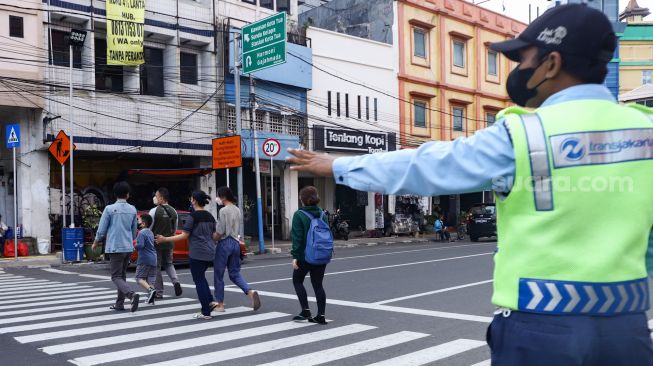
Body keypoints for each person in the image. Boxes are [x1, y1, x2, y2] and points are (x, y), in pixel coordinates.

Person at [287, 4, 653, 365]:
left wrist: (341, 166)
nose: (519, 70)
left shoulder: (524, 134)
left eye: (524, 59)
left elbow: (429, 166)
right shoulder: (646, 133)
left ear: (552, 64)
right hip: (626, 330)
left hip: (542, 331)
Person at [157, 191, 217, 319]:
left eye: (191, 198)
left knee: (199, 280)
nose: (190, 200)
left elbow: (184, 235)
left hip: (197, 253)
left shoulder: (193, 216)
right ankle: (210, 301)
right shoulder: (210, 216)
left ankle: (206, 312)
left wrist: (165, 239)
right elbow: (214, 236)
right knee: (202, 278)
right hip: (210, 252)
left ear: (194, 200)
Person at [92, 182, 140, 312]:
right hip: (128, 247)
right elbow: (134, 230)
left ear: (115, 194)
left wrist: (96, 241)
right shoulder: (132, 209)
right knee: (121, 276)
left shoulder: (109, 209)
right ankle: (119, 304)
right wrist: (132, 242)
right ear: (128, 195)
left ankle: (131, 295)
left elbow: (102, 229)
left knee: (116, 276)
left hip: (115, 247)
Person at [212, 186, 260, 313]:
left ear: (222, 197)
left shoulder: (223, 211)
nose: (217, 198)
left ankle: (220, 305)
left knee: (218, 275)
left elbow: (220, 231)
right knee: (234, 273)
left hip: (224, 243)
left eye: (218, 196)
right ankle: (250, 292)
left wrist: (213, 238)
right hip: (235, 243)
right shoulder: (238, 210)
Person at [290, 186, 329, 325]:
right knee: (318, 285)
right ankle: (321, 315)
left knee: (297, 280)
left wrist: (295, 256)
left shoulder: (299, 215)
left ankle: (305, 310)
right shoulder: (323, 214)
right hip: (321, 254)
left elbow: (297, 239)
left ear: (303, 200)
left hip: (305, 256)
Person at [149, 187, 182, 299]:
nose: (155, 198)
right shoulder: (174, 211)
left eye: (157, 196)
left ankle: (159, 292)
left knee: (156, 267)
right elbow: (175, 228)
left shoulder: (154, 211)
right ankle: (175, 281)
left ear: (161, 198)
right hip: (169, 242)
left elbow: (149, 228)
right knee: (168, 264)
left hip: (156, 242)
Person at [134, 213, 157, 305]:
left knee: (139, 278)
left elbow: (140, 245)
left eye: (139, 220)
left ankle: (150, 290)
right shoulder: (151, 232)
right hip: (154, 258)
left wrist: (134, 245)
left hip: (145, 258)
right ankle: (151, 299)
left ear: (143, 223)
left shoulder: (141, 232)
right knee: (150, 279)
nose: (138, 222)